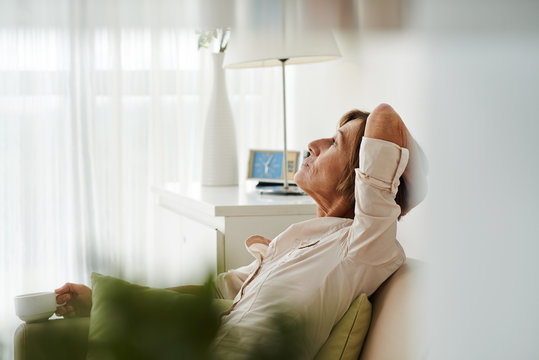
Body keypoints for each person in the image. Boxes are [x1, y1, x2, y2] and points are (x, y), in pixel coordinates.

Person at [56, 103, 428, 358]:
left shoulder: (364, 244)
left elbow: (384, 116)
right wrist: (109, 302)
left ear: (361, 176)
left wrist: (399, 193)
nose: (313, 145)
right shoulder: (295, 243)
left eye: (335, 143)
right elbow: (216, 290)